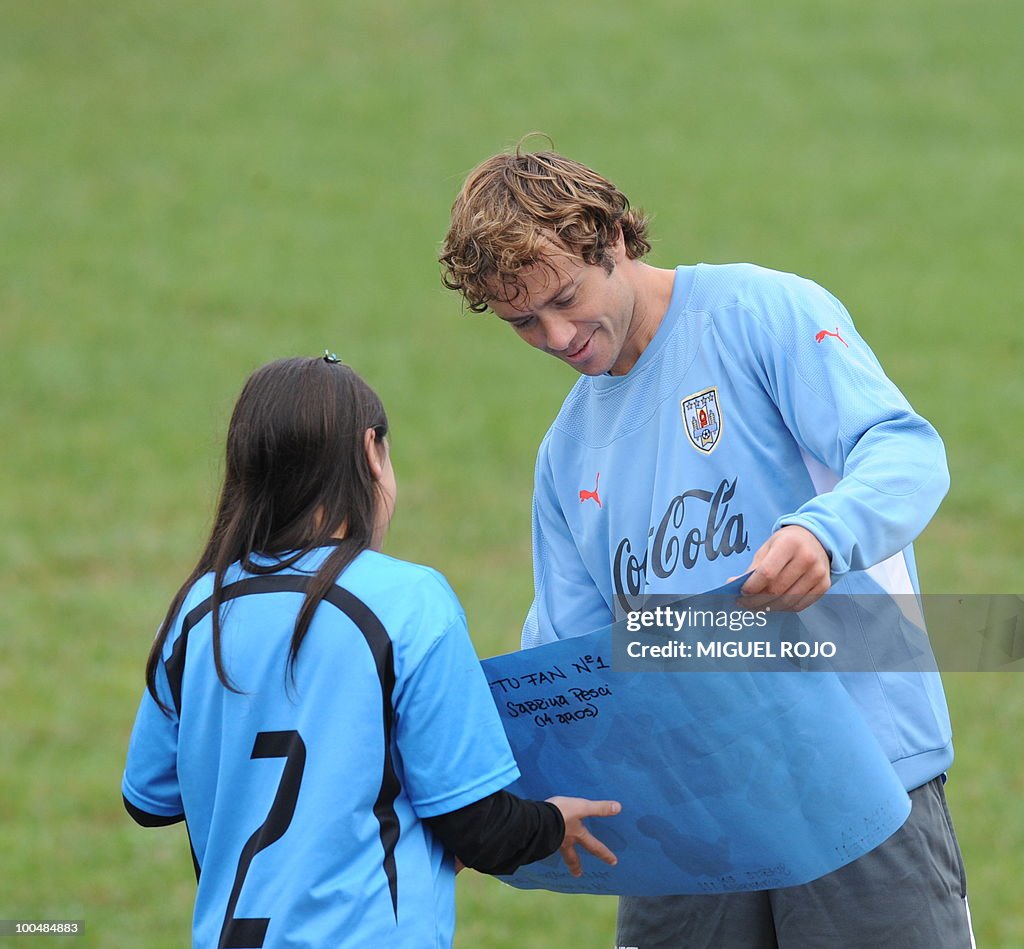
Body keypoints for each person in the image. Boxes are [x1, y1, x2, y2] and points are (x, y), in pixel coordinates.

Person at [440, 147, 974, 948]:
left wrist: (823, 532)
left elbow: (904, 450)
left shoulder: (763, 313)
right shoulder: (566, 452)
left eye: (564, 298)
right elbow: (571, 652)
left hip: (857, 788)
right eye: (523, 322)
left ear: (614, 240)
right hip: (690, 826)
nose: (555, 336)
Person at [121, 354, 621, 949]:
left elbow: (148, 801)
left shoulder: (199, 608)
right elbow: (477, 826)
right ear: (370, 450)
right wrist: (551, 823)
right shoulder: (409, 600)